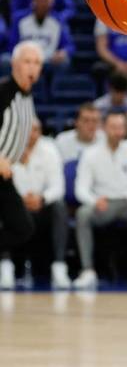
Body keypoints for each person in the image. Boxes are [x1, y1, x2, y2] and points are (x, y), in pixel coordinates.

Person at [72, 111, 127, 290]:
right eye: (113, 127)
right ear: (104, 128)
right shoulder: (90, 154)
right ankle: (87, 271)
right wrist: (93, 201)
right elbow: (81, 188)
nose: (117, 132)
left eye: (121, 127)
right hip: (103, 204)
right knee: (83, 214)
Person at [6, 118, 70, 289]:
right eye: (26, 130)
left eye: (35, 130)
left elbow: (58, 187)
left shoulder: (50, 151)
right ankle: (5, 266)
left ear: (40, 132)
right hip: (15, 208)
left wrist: (41, 199)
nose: (30, 134)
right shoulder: (6, 151)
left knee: (59, 207)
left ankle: (59, 267)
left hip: (42, 209)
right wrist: (19, 201)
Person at [0, 41, 42, 287]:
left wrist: (19, 151)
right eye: (27, 61)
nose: (32, 67)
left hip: (6, 176)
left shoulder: (27, 96)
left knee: (23, 227)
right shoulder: (4, 91)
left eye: (37, 63)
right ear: (14, 64)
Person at [7, 0, 73, 72]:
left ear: (52, 2)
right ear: (33, 0)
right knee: (5, 60)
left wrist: (63, 53)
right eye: (39, 0)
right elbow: (11, 44)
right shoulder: (19, 19)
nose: (42, 4)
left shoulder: (58, 20)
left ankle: (55, 86)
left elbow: (70, 46)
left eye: (46, 0)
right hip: (24, 59)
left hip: (49, 60)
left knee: (64, 62)